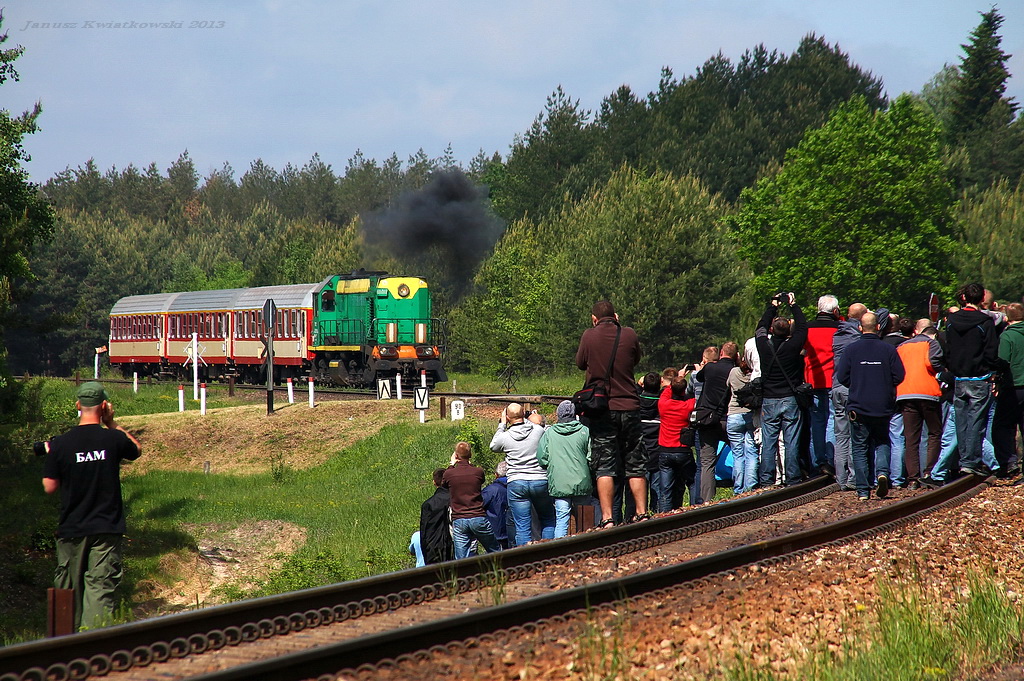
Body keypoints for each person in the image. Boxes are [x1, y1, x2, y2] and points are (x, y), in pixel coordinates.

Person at [42, 382, 141, 631]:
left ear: (78, 406)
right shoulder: (112, 438)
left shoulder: (60, 444)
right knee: (99, 588)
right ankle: (95, 649)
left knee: (68, 590)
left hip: (72, 528)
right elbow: (136, 449)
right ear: (104, 406)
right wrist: (112, 423)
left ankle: (63, 646)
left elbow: (49, 487)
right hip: (106, 528)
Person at [575, 300, 645, 526]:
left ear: (594, 318)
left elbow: (580, 363)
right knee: (635, 462)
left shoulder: (589, 335)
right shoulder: (630, 333)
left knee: (604, 464)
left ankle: (607, 519)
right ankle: (641, 513)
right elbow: (635, 359)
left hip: (603, 409)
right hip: (630, 407)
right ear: (616, 316)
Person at [834, 313, 905, 501]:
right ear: (878, 327)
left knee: (859, 447)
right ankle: (882, 473)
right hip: (882, 404)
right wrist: (885, 384)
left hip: (859, 404)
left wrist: (857, 384)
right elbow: (899, 375)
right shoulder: (888, 350)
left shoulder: (851, 350)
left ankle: (863, 490)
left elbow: (841, 377)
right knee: (882, 440)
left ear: (860, 328)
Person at [946, 283, 1001, 476]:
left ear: (963, 298)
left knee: (961, 421)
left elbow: (948, 348)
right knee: (977, 421)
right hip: (980, 377)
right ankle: (971, 461)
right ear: (981, 300)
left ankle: (964, 460)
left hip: (959, 377)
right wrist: (997, 369)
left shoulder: (951, 321)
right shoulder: (985, 322)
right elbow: (991, 352)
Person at [755, 292, 808, 487]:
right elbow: (803, 328)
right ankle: (793, 477)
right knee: (791, 440)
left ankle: (767, 480)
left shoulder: (763, 345)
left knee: (769, 442)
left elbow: (760, 327)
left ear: (772, 330)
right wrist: (793, 305)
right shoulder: (793, 345)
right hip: (790, 398)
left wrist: (773, 306)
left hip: (769, 398)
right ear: (788, 332)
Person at [490, 403, 554, 544]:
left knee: (522, 527)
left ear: (507, 417)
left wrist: (502, 424)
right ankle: (550, 552)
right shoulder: (537, 431)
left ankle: (526, 560)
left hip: (517, 482)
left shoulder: (505, 437)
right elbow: (548, 431)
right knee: (548, 519)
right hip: (539, 479)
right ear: (524, 412)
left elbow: (493, 446)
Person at [896, 322, 944, 488]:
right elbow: (932, 364)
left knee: (911, 438)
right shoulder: (931, 343)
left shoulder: (901, 346)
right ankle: (929, 472)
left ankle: (913, 479)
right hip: (928, 392)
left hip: (905, 393)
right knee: (934, 433)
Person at [537, 400, 595, 538]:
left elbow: (541, 458)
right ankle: (586, 547)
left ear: (558, 415)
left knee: (562, 520)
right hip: (582, 482)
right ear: (574, 414)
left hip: (559, 483)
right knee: (584, 519)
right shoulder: (585, 431)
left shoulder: (549, 434)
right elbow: (591, 457)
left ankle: (559, 550)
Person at [443, 441, 501, 559]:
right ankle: (500, 571)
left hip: (459, 519)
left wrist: (451, 464)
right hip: (478, 516)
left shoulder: (449, 473)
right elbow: (481, 480)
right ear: (470, 455)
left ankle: (465, 576)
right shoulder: (478, 471)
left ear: (456, 456)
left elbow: (444, 484)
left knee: (461, 558)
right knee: (495, 550)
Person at [831, 303, 867, 490]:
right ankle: (853, 478)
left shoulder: (838, 335)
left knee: (841, 436)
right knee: (855, 434)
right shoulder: (858, 339)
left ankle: (841, 478)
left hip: (836, 388)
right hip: (851, 389)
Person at [694, 343, 736, 504]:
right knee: (740, 455)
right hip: (729, 418)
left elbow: (698, 377)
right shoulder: (736, 371)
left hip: (708, 419)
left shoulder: (711, 368)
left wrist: (706, 364)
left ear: (722, 353)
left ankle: (706, 501)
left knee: (707, 463)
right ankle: (742, 491)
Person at [804, 295, 841, 476]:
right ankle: (833, 458)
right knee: (833, 420)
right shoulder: (840, 329)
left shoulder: (807, 328)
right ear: (835, 311)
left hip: (813, 380)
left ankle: (819, 461)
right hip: (833, 379)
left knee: (817, 422)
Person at [658, 375, 697, 511]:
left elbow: (666, 392)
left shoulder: (663, 404)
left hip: (665, 451)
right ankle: (694, 510)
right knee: (692, 482)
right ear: (684, 390)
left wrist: (675, 380)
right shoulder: (687, 405)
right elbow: (698, 396)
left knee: (665, 489)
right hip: (683, 450)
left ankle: (664, 517)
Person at [994, 303, 1024, 477]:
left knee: (1002, 426)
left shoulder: (1007, 336)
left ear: (1007, 318)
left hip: (1013, 386)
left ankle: (1009, 461)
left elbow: (1002, 362)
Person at [726, 353, 758, 493]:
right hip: (750, 414)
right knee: (751, 452)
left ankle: (738, 488)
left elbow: (728, 386)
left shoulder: (733, 372)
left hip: (733, 414)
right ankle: (750, 486)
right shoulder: (755, 375)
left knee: (738, 455)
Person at [420, 468, 454, 564]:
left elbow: (424, 532)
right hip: (454, 546)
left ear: (434, 482)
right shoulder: (455, 499)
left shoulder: (428, 504)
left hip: (434, 548)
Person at [481, 461, 512, 550]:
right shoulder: (517, 487)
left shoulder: (490, 490)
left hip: (495, 532)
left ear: (496, 475)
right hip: (515, 531)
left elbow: (479, 506)